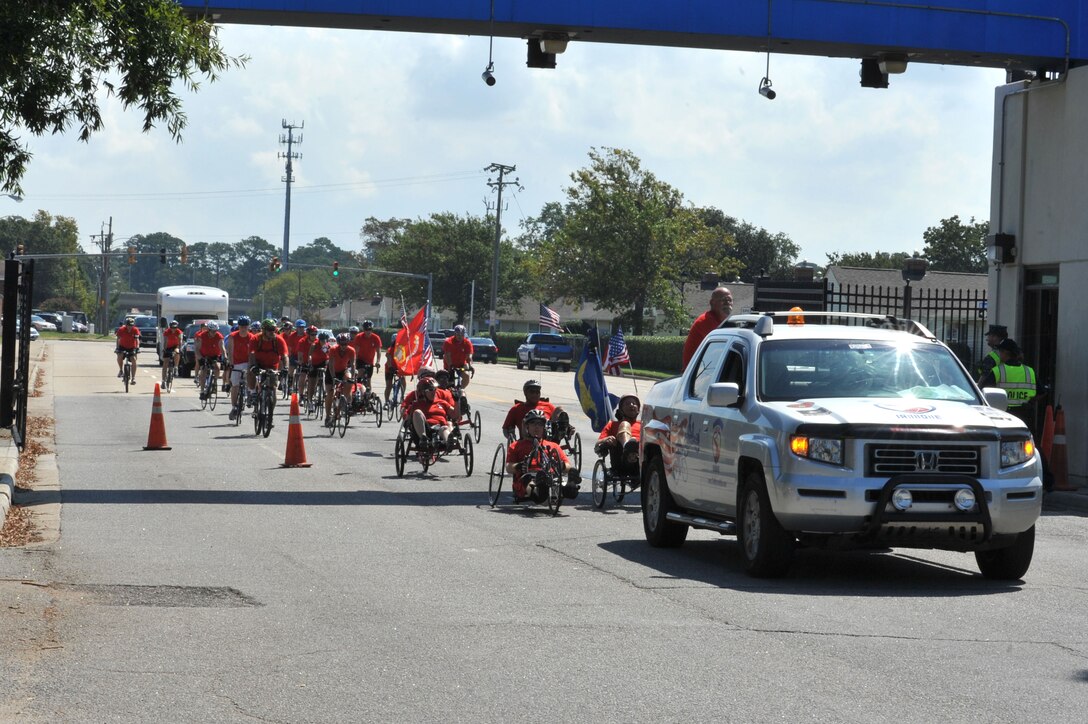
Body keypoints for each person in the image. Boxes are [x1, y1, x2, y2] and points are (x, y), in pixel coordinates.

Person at [505, 409, 581, 502]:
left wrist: (561, 465)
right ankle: (539, 489)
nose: (537, 427)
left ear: (544, 427)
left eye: (540, 424)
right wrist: (519, 466)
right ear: (527, 427)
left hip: (551, 477)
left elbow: (568, 465)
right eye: (533, 423)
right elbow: (509, 467)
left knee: (565, 484)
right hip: (527, 477)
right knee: (530, 482)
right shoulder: (516, 446)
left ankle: (569, 488)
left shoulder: (553, 446)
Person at [980, 338, 1037, 426]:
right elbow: (1042, 393)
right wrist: (1029, 401)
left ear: (1005, 353)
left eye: (1000, 351)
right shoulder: (1029, 371)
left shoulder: (998, 371)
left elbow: (983, 391)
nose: (999, 354)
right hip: (1025, 415)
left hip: (1003, 414)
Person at [247, 319, 290, 422]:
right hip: (258, 363)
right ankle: (252, 392)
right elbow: (252, 354)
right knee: (250, 371)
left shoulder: (278, 340)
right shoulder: (256, 339)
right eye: (270, 330)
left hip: (272, 366)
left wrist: (286, 368)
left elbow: (285, 356)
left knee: (273, 390)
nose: (272, 332)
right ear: (264, 330)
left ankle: (270, 414)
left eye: (274, 329)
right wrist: (253, 366)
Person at [682, 286, 733, 368]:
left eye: (729, 300)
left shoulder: (723, 323)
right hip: (696, 375)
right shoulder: (705, 321)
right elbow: (724, 346)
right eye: (723, 300)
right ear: (712, 303)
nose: (727, 303)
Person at [501, 379, 567, 442]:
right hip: (527, 440)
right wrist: (512, 439)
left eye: (537, 392)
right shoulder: (516, 409)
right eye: (532, 392)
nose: (535, 394)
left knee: (559, 409)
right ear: (525, 393)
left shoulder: (548, 406)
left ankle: (560, 434)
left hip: (549, 438)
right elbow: (506, 428)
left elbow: (559, 419)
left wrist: (569, 427)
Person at [595, 394, 642, 478]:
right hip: (620, 460)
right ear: (621, 410)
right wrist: (606, 439)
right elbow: (597, 445)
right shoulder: (612, 424)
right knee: (625, 424)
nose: (631, 405)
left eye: (634, 403)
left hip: (642, 460)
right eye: (627, 403)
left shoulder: (644, 425)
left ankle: (632, 451)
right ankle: (628, 448)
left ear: (638, 410)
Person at [404, 377, 454, 452]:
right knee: (417, 412)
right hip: (425, 429)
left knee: (446, 427)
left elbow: (456, 415)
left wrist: (457, 401)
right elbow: (406, 420)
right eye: (430, 390)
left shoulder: (441, 402)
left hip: (440, 429)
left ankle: (449, 442)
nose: (434, 392)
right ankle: (423, 439)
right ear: (423, 392)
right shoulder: (416, 404)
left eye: (435, 389)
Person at [225, 316, 255, 420]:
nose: (243, 328)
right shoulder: (232, 336)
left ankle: (251, 393)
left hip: (247, 362)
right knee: (235, 385)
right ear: (239, 326)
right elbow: (230, 351)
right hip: (236, 362)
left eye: (245, 326)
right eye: (241, 326)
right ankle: (234, 407)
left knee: (252, 377)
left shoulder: (252, 337)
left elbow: (253, 353)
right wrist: (231, 364)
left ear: (248, 327)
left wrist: (252, 365)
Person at [325, 332, 357, 424]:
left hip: (343, 371)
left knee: (349, 379)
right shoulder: (333, 349)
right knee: (330, 394)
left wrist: (353, 377)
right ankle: (327, 416)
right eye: (342, 344)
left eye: (346, 344)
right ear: (338, 343)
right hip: (331, 372)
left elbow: (353, 364)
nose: (344, 346)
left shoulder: (351, 350)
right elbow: (330, 365)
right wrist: (333, 377)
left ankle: (345, 403)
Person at [195, 321, 225, 399]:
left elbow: (222, 348)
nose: (214, 332)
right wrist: (200, 358)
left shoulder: (219, 336)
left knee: (217, 367)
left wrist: (225, 357)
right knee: (204, 370)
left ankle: (214, 382)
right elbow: (197, 349)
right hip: (204, 355)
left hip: (215, 356)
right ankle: (202, 391)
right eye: (213, 331)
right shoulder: (202, 336)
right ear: (208, 330)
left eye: (216, 331)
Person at [351, 320, 383, 391]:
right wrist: (354, 362)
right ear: (363, 329)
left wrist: (378, 361)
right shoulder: (359, 337)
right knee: (361, 371)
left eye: (370, 329)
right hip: (360, 359)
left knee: (368, 380)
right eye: (366, 329)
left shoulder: (376, 338)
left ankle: (368, 396)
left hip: (370, 361)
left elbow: (378, 351)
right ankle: (357, 388)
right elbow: (356, 351)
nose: (368, 331)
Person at [443, 324, 474, 391]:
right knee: (450, 382)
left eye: (462, 335)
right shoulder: (448, 342)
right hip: (450, 364)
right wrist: (450, 366)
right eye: (458, 335)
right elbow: (447, 355)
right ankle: (450, 391)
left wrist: (470, 366)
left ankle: (459, 390)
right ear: (455, 334)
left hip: (461, 364)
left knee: (466, 377)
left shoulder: (467, 343)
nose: (460, 337)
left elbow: (469, 356)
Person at [160, 320, 183, 387]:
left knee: (177, 352)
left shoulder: (179, 331)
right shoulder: (167, 332)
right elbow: (165, 341)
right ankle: (163, 381)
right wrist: (164, 349)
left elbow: (180, 341)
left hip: (175, 346)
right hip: (168, 347)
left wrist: (180, 348)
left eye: (175, 328)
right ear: (170, 327)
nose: (174, 329)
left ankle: (176, 367)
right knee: (165, 364)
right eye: (172, 327)